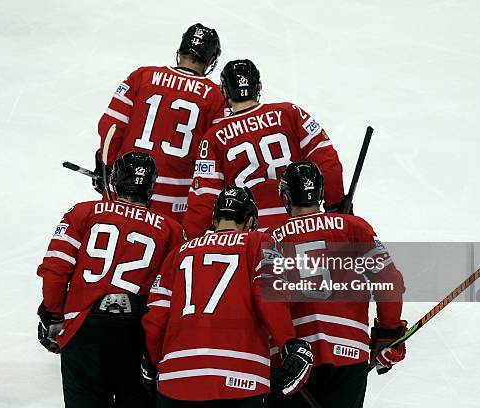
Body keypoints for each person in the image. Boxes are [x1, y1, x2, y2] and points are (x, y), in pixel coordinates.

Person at [36, 152, 185, 408]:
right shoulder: (172, 229)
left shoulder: (83, 212)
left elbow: (55, 269)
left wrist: (53, 315)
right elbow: (174, 297)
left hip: (85, 329)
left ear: (115, 180)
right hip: (136, 334)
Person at [141, 186, 313, 407]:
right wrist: (288, 342)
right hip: (241, 379)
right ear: (250, 221)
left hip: (177, 380)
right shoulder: (260, 243)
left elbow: (156, 317)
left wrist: (154, 362)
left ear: (214, 219)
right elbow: (270, 299)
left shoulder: (179, 252)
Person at [268, 161, 406, 408]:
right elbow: (390, 280)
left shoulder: (269, 239)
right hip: (348, 352)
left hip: (294, 361)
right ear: (320, 194)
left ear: (285, 197)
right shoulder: (355, 227)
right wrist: (388, 332)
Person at [182, 59, 344, 239]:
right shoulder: (290, 113)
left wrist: (190, 240)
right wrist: (335, 206)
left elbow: (205, 196)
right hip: (299, 224)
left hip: (251, 234)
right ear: (258, 86)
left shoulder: (214, 137)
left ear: (225, 91)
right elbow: (328, 161)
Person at [94, 23, 228, 222]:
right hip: (174, 202)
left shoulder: (142, 76)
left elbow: (111, 128)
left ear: (180, 51)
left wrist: (106, 167)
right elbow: (216, 154)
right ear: (211, 60)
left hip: (124, 190)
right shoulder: (216, 97)